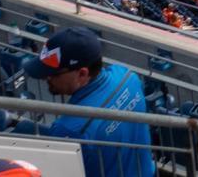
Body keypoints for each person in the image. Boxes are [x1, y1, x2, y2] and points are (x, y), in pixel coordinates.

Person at [20, 27, 151, 177]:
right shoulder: (128, 76)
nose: (45, 78)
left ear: (82, 74)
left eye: (52, 74)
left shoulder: (70, 130)